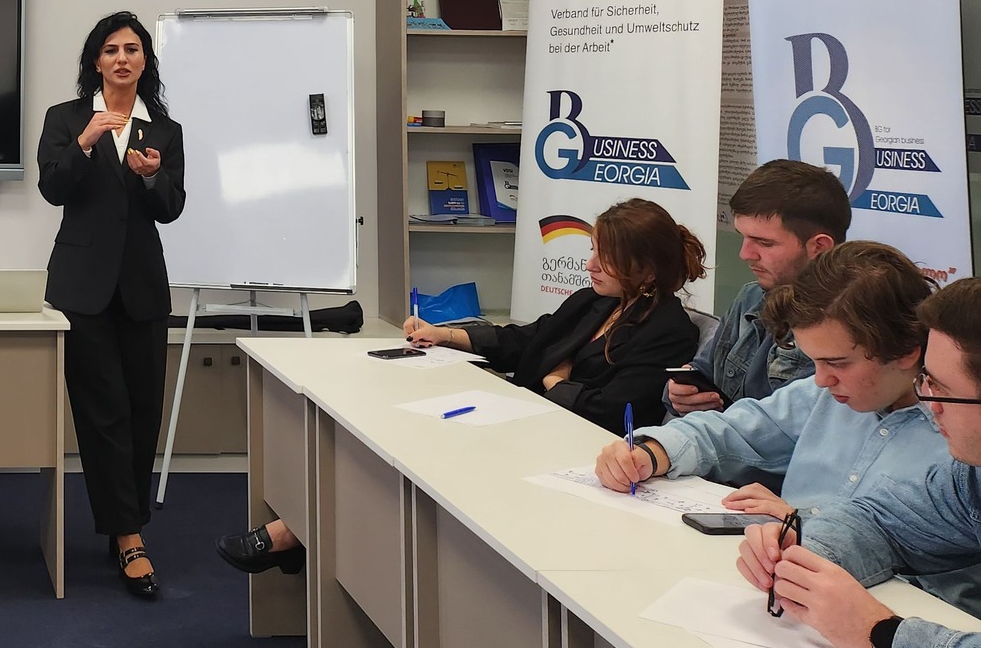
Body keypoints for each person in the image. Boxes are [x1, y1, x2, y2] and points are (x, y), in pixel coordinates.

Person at [598, 243, 980, 607]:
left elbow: (942, 578)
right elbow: (734, 431)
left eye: (837, 363)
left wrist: (804, 522)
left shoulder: (966, 439)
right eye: (815, 361)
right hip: (786, 589)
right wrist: (652, 452)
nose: (821, 380)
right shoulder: (825, 396)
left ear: (906, 352)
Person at [738, 278, 981, 648]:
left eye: (943, 389)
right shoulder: (971, 480)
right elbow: (883, 521)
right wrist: (801, 550)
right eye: (927, 381)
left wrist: (880, 633)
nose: (930, 403)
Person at [38, 12, 185, 599]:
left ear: (145, 61)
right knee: (103, 414)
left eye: (132, 49)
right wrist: (86, 141)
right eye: (110, 50)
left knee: (143, 410)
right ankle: (129, 537)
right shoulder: (66, 119)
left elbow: (171, 207)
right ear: (95, 62)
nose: (122, 58)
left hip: (143, 288)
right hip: (82, 291)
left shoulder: (164, 129)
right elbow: (53, 188)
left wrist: (151, 178)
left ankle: (125, 522)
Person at [403, 197, 704, 431]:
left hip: (582, 444)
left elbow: (614, 411)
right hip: (531, 421)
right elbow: (527, 339)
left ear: (648, 271)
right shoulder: (594, 300)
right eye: (592, 250)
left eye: (606, 258)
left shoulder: (669, 331)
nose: (590, 265)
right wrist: (446, 335)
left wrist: (556, 382)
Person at [671, 158, 850, 417]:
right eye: (743, 237)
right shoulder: (750, 297)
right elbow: (704, 369)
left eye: (764, 243)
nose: (745, 254)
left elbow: (789, 429)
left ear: (819, 247)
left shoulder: (846, 322)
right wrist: (681, 392)